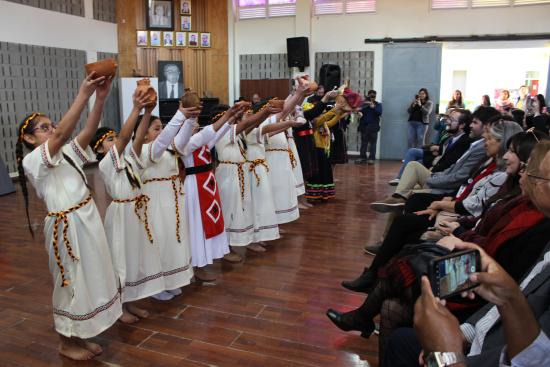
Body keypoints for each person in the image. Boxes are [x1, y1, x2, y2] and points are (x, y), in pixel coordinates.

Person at [328, 135, 550, 362]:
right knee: (391, 305)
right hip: (481, 292)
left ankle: (367, 301)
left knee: (404, 270)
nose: (525, 172)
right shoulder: (518, 201)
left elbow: (522, 350)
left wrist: (450, 351)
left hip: (478, 307)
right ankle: (367, 304)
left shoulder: (536, 223)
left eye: (532, 170)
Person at [17, 74, 121, 360]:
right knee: (69, 284)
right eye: (43, 128)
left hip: (86, 217)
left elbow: (88, 129)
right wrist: (84, 92)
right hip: (66, 226)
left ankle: (81, 333)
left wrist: (99, 98)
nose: (51, 130)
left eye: (51, 125)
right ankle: (65, 341)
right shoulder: (33, 160)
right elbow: (64, 132)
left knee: (91, 277)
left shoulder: (66, 152)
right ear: (28, 138)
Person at [92, 89, 157, 324]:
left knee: (134, 259)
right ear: (99, 149)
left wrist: (148, 112)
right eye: (109, 140)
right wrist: (137, 108)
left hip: (135, 213)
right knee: (121, 261)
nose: (116, 141)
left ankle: (132, 301)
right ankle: (120, 308)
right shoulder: (105, 164)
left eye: (114, 137)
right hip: (120, 214)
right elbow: (124, 138)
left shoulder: (127, 159)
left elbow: (137, 137)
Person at [371, 107, 501, 212]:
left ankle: (398, 196)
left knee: (412, 178)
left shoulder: (471, 143)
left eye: (475, 122)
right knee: (413, 166)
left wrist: (433, 177)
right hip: (441, 174)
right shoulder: (461, 139)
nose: (447, 121)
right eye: (448, 117)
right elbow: (452, 164)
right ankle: (397, 197)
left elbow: (458, 173)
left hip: (446, 186)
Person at [135, 104, 201, 301]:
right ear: (143, 135)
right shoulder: (144, 150)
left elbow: (180, 140)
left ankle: (171, 280)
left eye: (162, 127)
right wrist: (180, 115)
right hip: (155, 203)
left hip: (171, 200)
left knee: (173, 241)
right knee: (159, 242)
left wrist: (190, 120)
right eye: (156, 128)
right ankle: (155, 286)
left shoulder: (167, 150)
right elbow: (164, 141)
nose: (162, 131)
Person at [179, 104, 242, 280]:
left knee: (206, 223)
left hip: (207, 184)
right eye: (191, 122)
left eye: (196, 121)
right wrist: (229, 114)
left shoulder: (201, 142)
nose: (195, 124)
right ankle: (196, 265)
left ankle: (203, 261)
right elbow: (207, 133)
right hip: (195, 186)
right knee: (197, 225)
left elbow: (216, 134)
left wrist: (231, 120)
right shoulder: (184, 144)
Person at [389, 109, 472, 186]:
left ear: (462, 125)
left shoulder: (464, 141)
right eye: (447, 117)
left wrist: (437, 158)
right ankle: (400, 188)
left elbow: (449, 163)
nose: (447, 121)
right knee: (414, 158)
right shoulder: (452, 136)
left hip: (441, 175)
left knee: (413, 164)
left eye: (451, 119)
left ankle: (400, 188)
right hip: (436, 163)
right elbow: (444, 149)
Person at [356, 90, 382, 165]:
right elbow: (358, 110)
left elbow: (380, 113)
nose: (372, 98)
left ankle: (371, 159)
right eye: (371, 96)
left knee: (373, 143)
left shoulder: (378, 104)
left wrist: (373, 107)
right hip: (364, 126)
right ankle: (362, 157)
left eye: (374, 96)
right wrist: (359, 112)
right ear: (368, 96)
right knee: (364, 143)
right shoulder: (364, 104)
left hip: (374, 127)